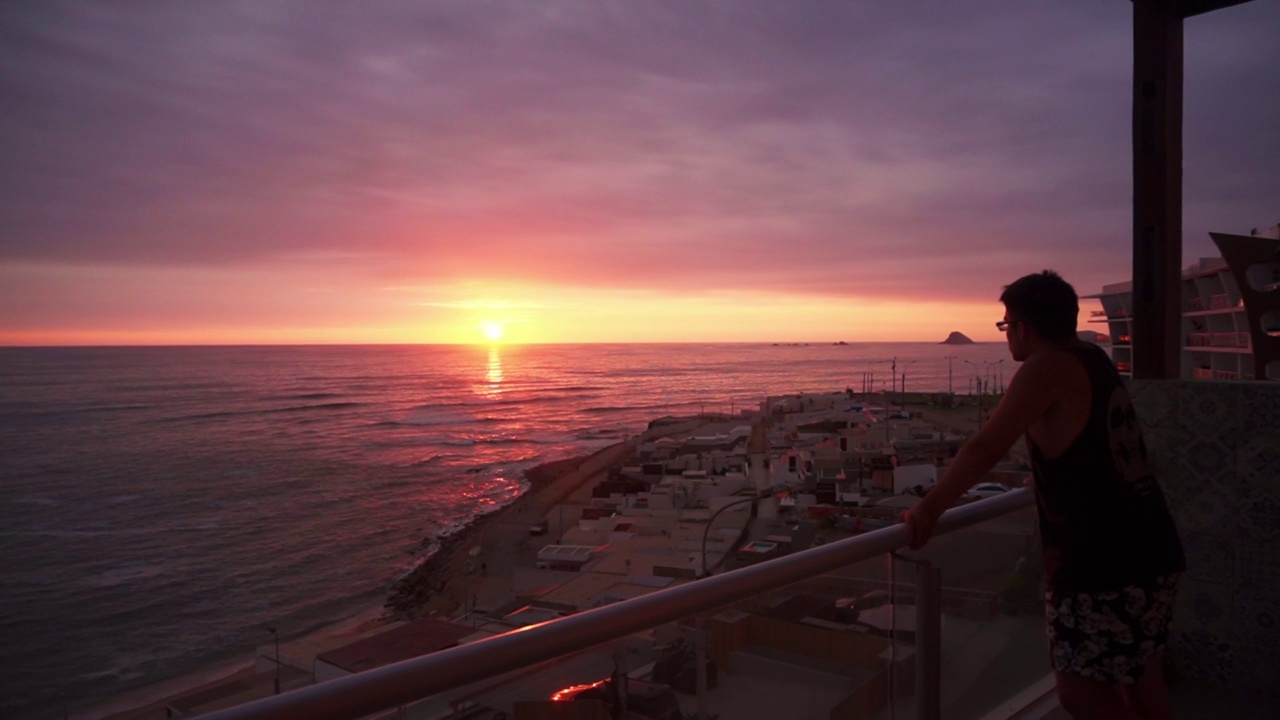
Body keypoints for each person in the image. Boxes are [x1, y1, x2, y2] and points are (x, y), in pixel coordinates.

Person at [901, 270, 1185, 719]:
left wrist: (930, 507)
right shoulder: (1093, 357)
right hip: (1150, 544)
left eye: (1006, 324)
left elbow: (986, 446)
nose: (1007, 334)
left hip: (1099, 561)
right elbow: (1087, 445)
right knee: (1139, 675)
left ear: (1023, 328)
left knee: (1079, 693)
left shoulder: (1045, 368)